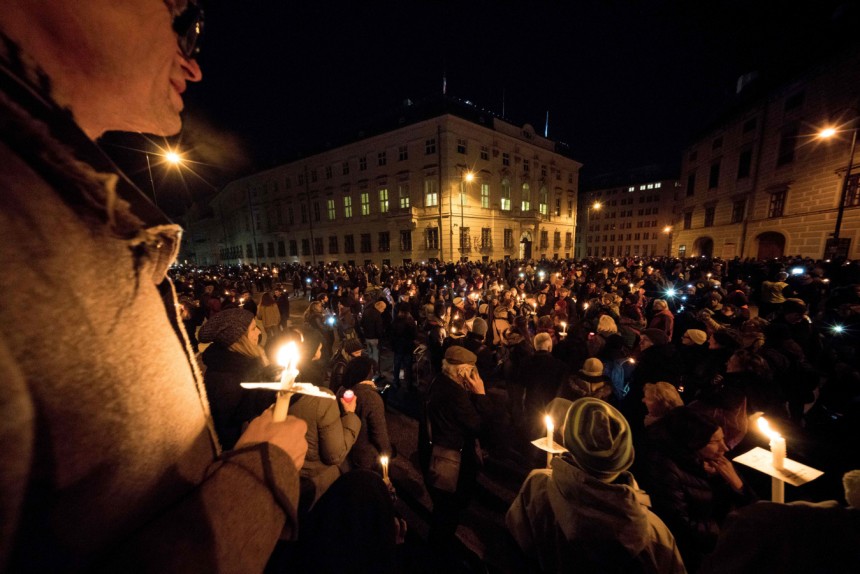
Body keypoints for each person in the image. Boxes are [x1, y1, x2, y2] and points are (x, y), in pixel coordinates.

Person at [0, 3, 308, 572]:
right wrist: (261, 475)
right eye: (183, 20)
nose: (193, 66)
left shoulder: (60, 212)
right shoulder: (18, 232)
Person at [506, 397, 686, 574]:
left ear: (567, 441)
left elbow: (517, 544)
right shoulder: (655, 535)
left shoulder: (537, 486)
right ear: (626, 458)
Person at [643, 407, 756, 572]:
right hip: (696, 557)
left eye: (722, 439)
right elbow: (682, 526)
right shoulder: (664, 469)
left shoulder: (714, 460)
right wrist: (730, 532)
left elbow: (753, 507)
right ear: (692, 442)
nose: (724, 448)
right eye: (715, 442)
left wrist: (736, 484)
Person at [422, 346, 492, 560]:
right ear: (462, 372)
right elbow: (480, 425)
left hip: (435, 456)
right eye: (472, 371)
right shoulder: (455, 395)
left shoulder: (439, 382)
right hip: (452, 464)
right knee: (447, 514)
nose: (474, 375)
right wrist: (480, 395)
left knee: (442, 511)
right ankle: (437, 556)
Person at [199, 308, 277, 449]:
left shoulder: (247, 363)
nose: (259, 332)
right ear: (239, 338)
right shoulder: (226, 379)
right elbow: (230, 425)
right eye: (253, 329)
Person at [335, 356, 392, 473]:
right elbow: (379, 433)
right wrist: (387, 453)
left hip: (345, 452)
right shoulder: (370, 397)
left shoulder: (341, 390)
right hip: (366, 459)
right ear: (366, 373)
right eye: (371, 369)